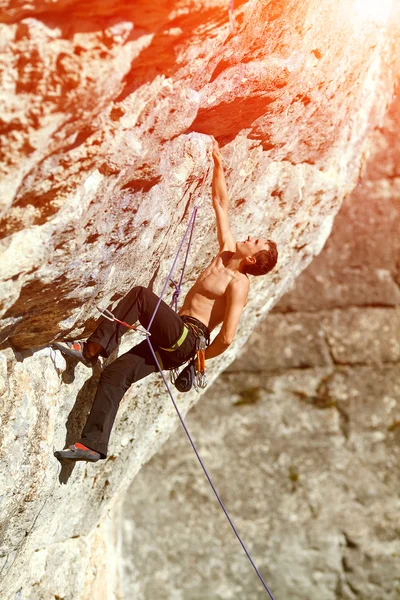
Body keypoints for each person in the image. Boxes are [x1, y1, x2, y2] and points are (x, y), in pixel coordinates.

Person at [54, 138, 278, 462]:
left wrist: (196, 361)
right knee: (116, 376)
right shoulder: (226, 251)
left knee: (142, 297)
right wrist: (217, 164)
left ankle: (93, 347)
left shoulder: (238, 283)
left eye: (255, 242)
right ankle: (93, 445)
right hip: (175, 339)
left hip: (188, 339)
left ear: (254, 261)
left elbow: (227, 337)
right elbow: (220, 203)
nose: (249, 237)